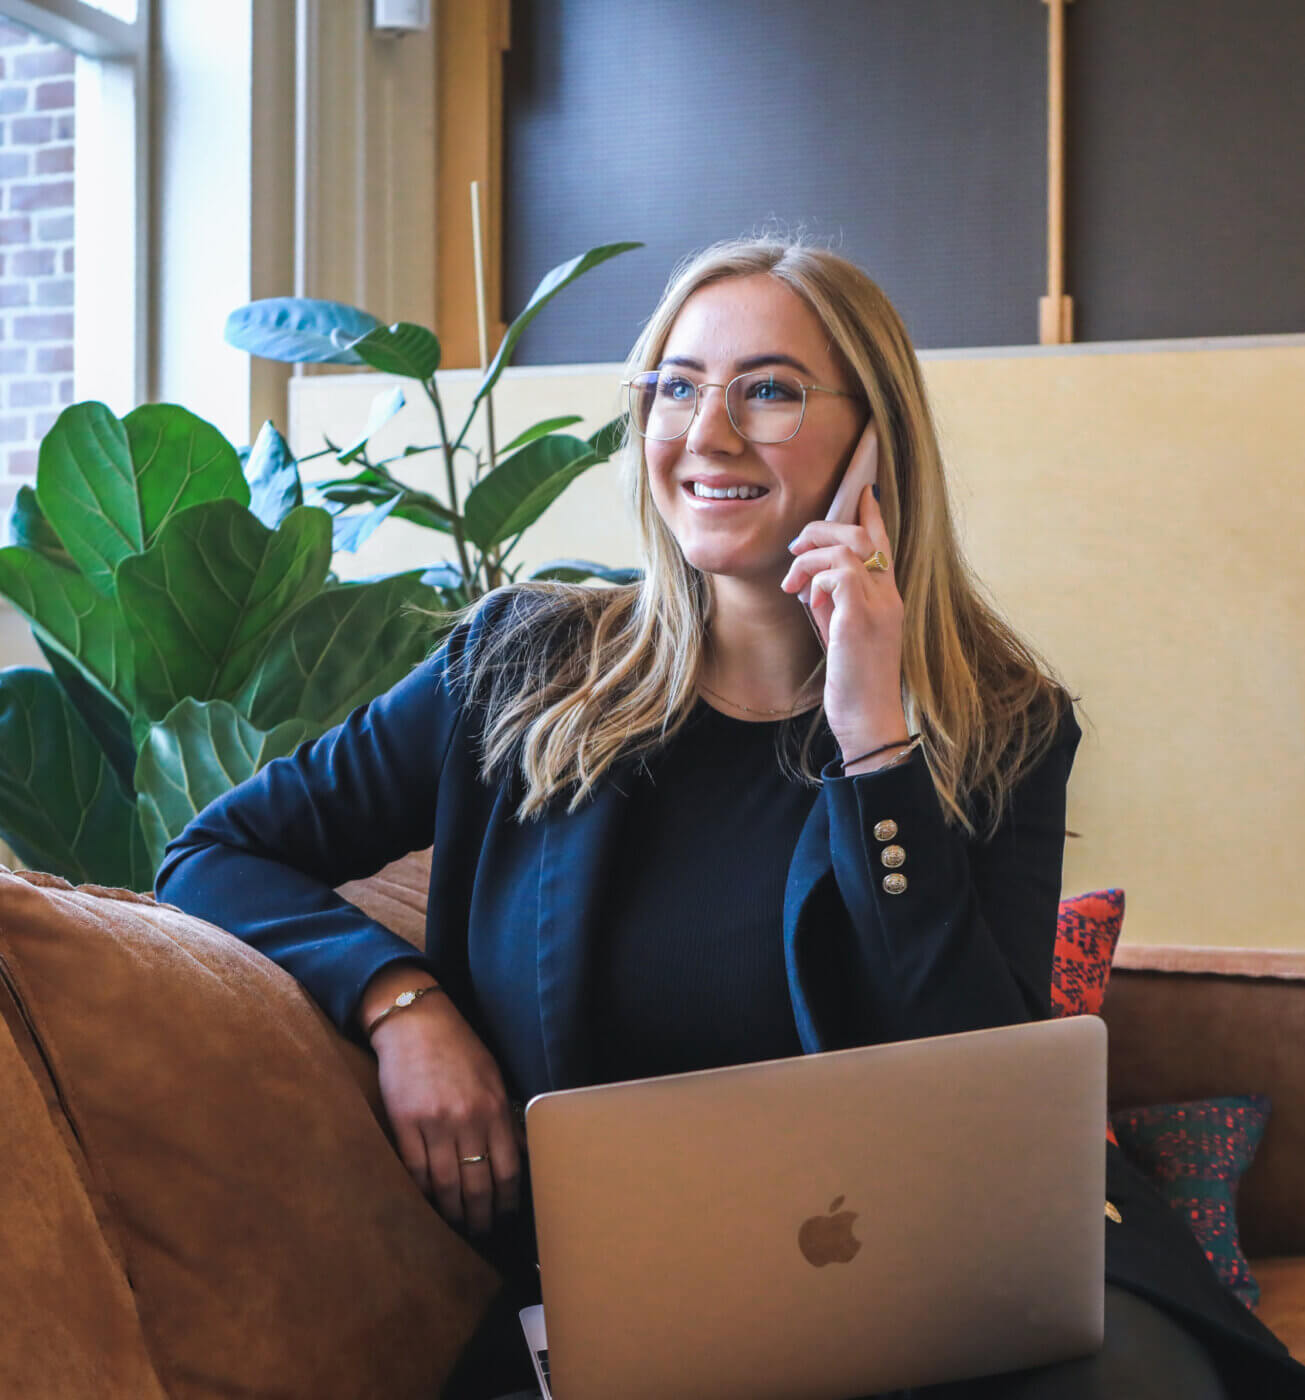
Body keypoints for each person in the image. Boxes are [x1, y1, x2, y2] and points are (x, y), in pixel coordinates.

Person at [156, 239, 1304, 1400]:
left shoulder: (1003, 721)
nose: (705, 432)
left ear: (875, 440)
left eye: (767, 388)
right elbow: (212, 852)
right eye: (674, 385)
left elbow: (983, 1091)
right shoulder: (517, 665)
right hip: (639, 1308)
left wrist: (877, 742)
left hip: (955, 1289)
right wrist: (399, 1001)